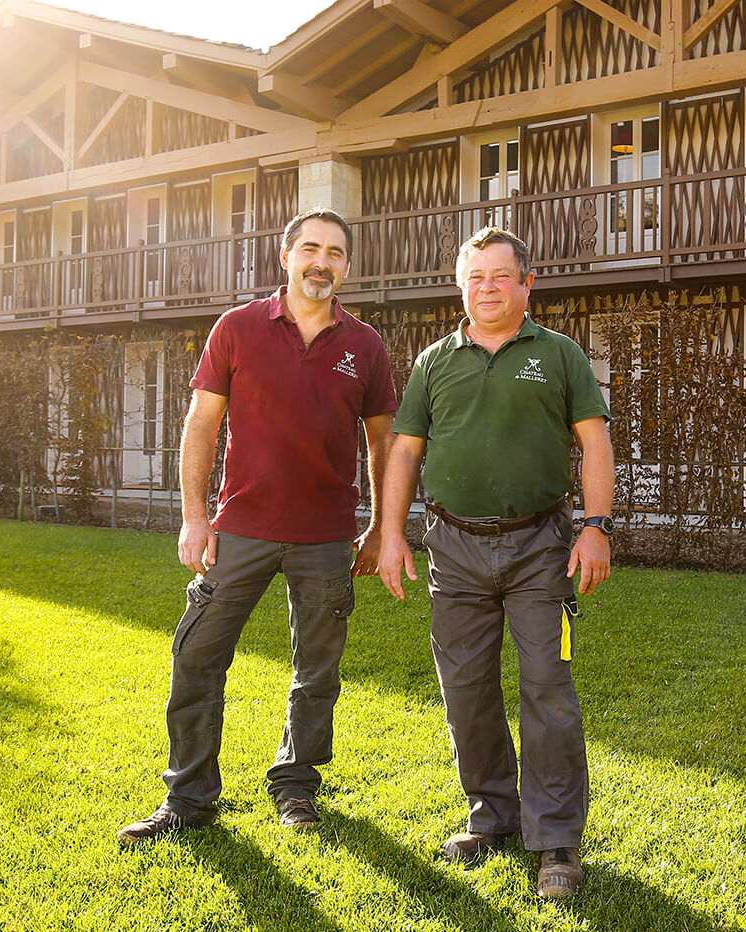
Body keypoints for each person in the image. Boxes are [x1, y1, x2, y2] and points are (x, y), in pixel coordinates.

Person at [118, 208, 397, 845]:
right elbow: (201, 425)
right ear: (286, 257)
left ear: (346, 266)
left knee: (317, 670)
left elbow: (383, 443)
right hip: (239, 528)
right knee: (196, 657)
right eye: (309, 249)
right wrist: (195, 518)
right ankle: (188, 798)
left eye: (333, 252)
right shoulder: (238, 328)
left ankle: (295, 785)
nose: (320, 261)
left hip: (326, 538)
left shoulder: (365, 346)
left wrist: (381, 527)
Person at [377, 227, 615, 899]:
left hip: (540, 546)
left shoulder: (560, 355)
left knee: (548, 691)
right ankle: (492, 818)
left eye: (500, 276)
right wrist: (391, 533)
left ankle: (557, 841)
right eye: (475, 276)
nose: (487, 287)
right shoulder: (434, 362)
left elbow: (593, 444)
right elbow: (404, 453)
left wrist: (595, 527)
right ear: (461, 284)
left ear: (526, 283)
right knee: (467, 691)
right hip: (452, 548)